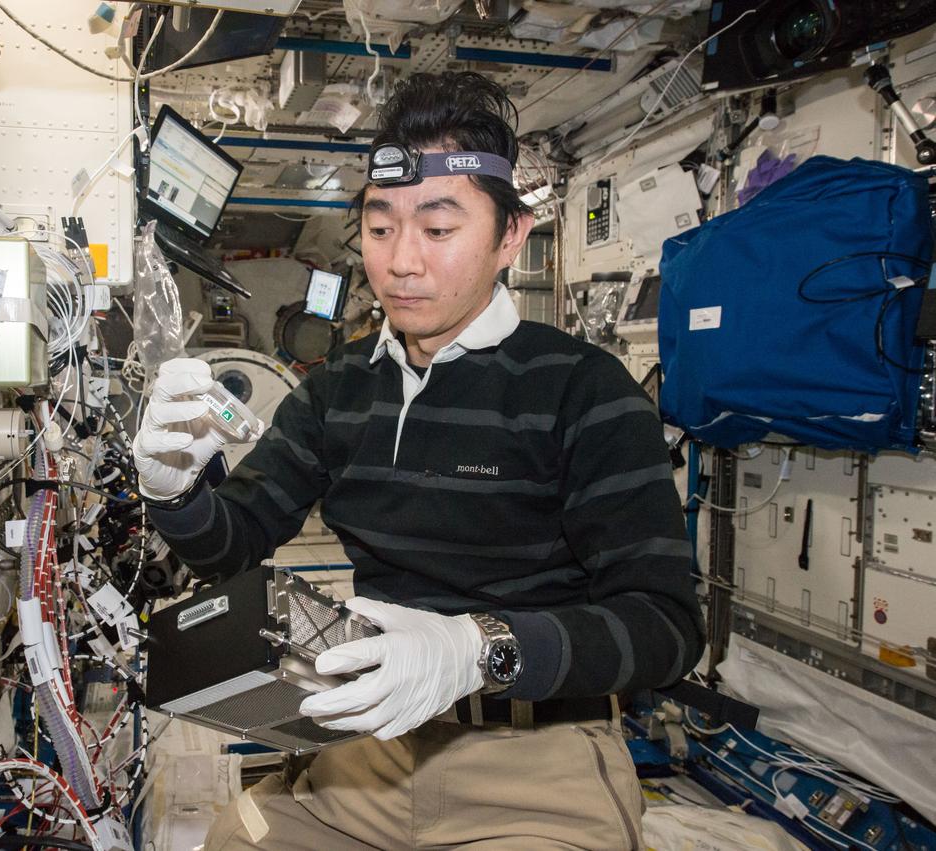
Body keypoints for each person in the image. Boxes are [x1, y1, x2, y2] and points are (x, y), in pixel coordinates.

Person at [132, 71, 705, 850]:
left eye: (437, 230)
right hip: (364, 753)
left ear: (510, 236)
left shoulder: (582, 390)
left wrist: (478, 649)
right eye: (379, 228)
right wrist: (175, 492)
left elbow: (664, 625)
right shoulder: (338, 389)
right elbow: (234, 540)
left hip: (534, 764)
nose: (401, 262)